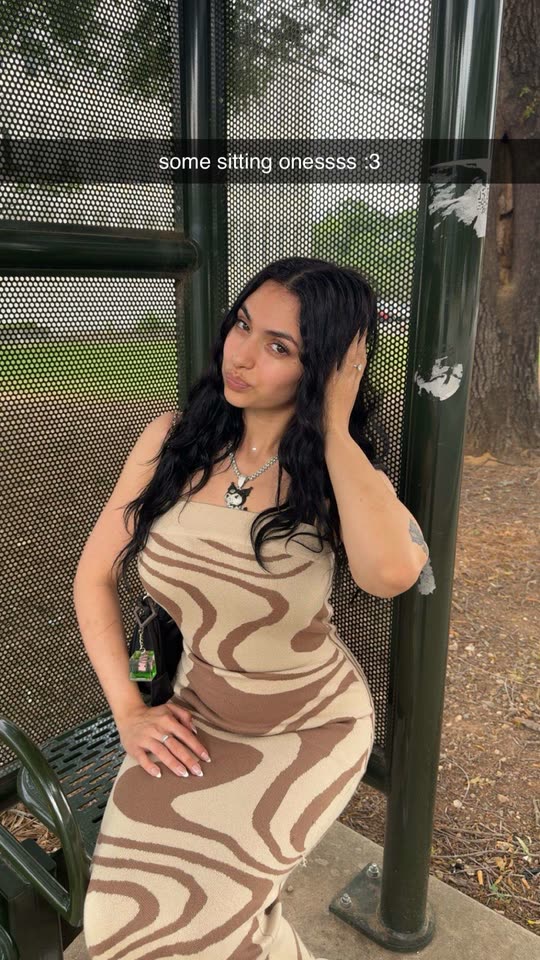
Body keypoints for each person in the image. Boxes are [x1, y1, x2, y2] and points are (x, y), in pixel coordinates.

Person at [74, 256, 429, 960]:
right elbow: (93, 578)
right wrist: (130, 712)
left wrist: (332, 428)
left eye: (279, 347)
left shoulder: (335, 475)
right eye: (243, 325)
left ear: (324, 368)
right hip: (197, 713)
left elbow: (391, 573)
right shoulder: (172, 442)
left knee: (214, 929)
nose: (240, 355)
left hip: (309, 726)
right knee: (118, 919)